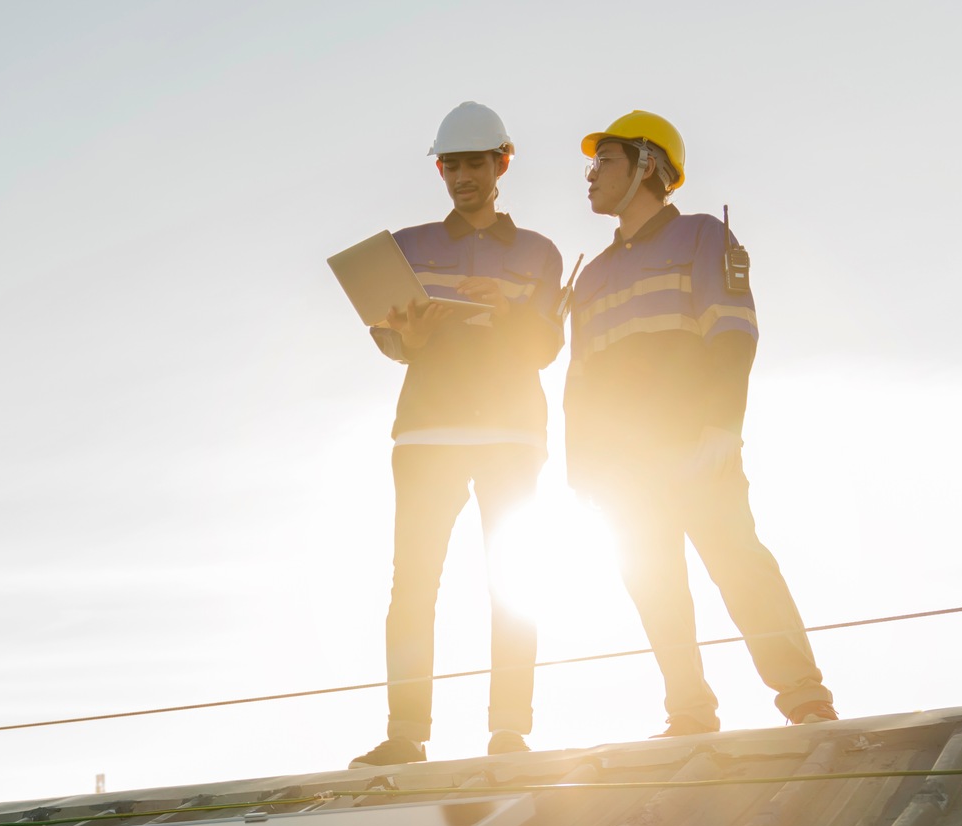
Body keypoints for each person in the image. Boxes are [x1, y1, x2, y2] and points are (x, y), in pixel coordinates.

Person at [563, 111, 836, 736]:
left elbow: (735, 335)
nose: (591, 175)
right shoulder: (593, 276)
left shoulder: (701, 237)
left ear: (648, 167)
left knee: (739, 563)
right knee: (652, 583)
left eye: (605, 161)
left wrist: (722, 426)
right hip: (621, 467)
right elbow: (579, 380)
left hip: (696, 443)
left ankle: (804, 697)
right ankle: (688, 712)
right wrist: (582, 468)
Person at [349, 102, 566, 769]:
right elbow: (393, 344)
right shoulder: (406, 248)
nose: (463, 176)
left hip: (510, 432)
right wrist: (408, 337)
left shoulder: (540, 254)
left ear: (501, 163)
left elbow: (545, 347)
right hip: (426, 432)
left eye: (475, 162)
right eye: (452, 164)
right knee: (412, 584)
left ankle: (509, 729)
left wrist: (505, 312)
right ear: (440, 169)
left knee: (511, 578)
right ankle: (406, 734)